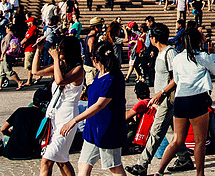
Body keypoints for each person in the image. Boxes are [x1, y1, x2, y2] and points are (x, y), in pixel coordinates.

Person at [153, 28, 215, 176]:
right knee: (199, 141)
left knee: (177, 140)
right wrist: (213, 54)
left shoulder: (177, 58)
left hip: (180, 99)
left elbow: (176, 80)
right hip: (198, 98)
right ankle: (199, 173)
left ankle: (159, 171)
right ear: (198, 41)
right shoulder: (202, 56)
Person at [128, 24, 192, 175]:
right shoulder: (162, 53)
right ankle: (184, 158)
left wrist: (161, 93)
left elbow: (177, 77)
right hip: (162, 99)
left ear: (154, 39)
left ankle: (142, 164)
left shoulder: (169, 53)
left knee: (156, 131)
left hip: (167, 99)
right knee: (170, 131)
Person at [60, 41, 128, 175]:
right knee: (83, 164)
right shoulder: (100, 73)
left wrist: (74, 120)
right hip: (93, 127)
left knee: (114, 166)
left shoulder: (113, 78)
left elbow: (100, 104)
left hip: (108, 128)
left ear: (95, 59)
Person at [35, 35, 85, 176]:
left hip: (67, 118)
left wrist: (56, 59)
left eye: (62, 48)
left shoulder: (78, 69)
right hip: (54, 117)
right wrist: (39, 51)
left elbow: (60, 81)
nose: (58, 50)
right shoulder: (61, 66)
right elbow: (36, 71)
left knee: (47, 159)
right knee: (61, 159)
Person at [3, 85, 53, 160]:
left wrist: (13, 133)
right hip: (28, 153)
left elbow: (3, 129)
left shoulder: (20, 110)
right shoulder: (43, 116)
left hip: (9, 153)